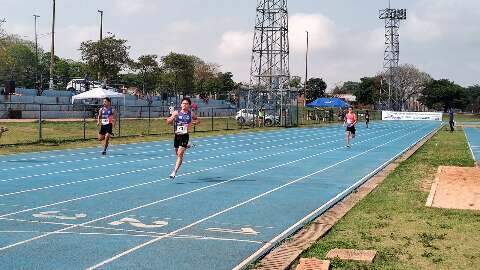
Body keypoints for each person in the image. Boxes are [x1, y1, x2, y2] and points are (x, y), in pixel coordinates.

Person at [166, 97, 199, 179]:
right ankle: (187, 145)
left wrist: (192, 123)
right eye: (183, 103)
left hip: (185, 136)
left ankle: (174, 172)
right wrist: (173, 118)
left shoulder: (191, 114)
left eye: (186, 103)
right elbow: (168, 122)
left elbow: (198, 120)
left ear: (189, 105)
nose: (184, 105)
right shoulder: (176, 112)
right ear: (181, 104)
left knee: (180, 154)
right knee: (177, 154)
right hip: (177, 136)